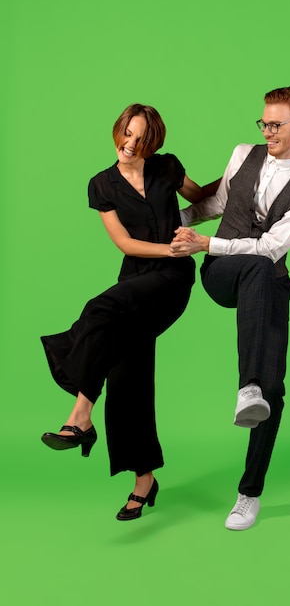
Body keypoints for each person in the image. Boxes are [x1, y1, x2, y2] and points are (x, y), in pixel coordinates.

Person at [40, 103, 210, 521]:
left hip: (171, 280)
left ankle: (81, 413)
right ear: (117, 131)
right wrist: (169, 247)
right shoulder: (102, 185)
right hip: (136, 273)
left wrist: (248, 171)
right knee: (128, 374)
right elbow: (125, 244)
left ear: (152, 144)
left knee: (99, 309)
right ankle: (144, 481)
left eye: (139, 139)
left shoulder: (166, 168)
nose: (129, 145)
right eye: (126, 134)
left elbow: (204, 197)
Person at [170, 86, 290, 530]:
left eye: (276, 124)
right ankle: (249, 385)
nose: (268, 131)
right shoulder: (244, 153)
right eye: (264, 123)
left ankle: (248, 493)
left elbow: (273, 246)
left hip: (268, 280)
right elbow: (215, 204)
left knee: (273, 392)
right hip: (223, 272)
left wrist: (207, 242)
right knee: (256, 265)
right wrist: (173, 223)